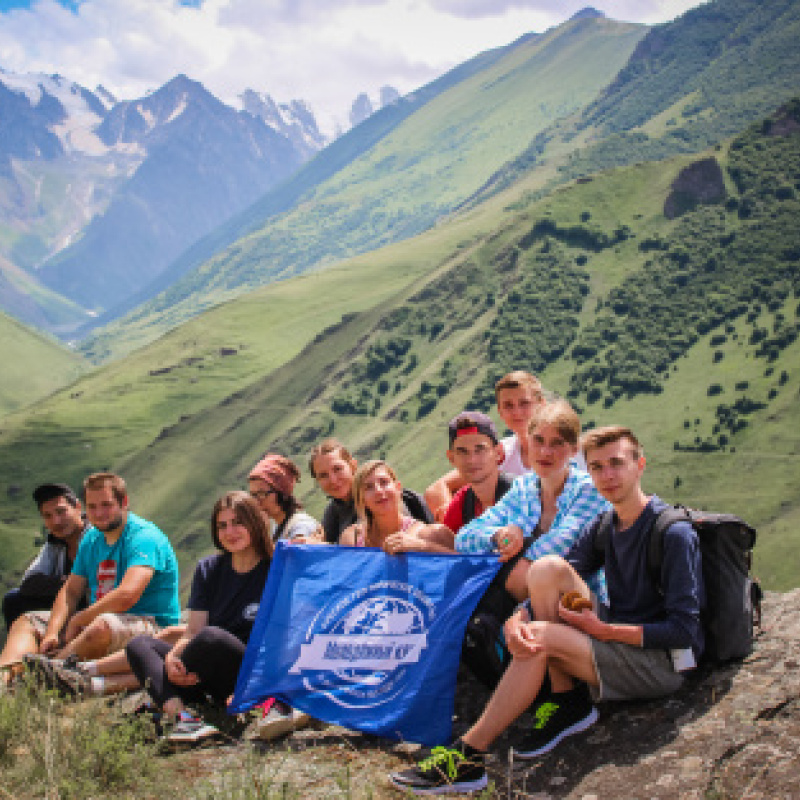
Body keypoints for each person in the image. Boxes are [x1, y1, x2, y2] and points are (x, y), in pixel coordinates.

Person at [389, 425, 704, 795]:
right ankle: (563, 699)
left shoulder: (672, 533)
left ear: (640, 465)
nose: (607, 476)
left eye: (617, 464)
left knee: (538, 640)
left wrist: (605, 631)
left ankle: (470, 755)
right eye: (597, 467)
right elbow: (564, 570)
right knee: (546, 569)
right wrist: (519, 616)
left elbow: (684, 631)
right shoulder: (607, 523)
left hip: (658, 662)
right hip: (614, 635)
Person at [125, 491, 277, 744]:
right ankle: (182, 718)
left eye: (238, 522)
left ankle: (167, 701)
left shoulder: (275, 568)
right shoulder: (208, 569)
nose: (230, 532)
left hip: (248, 671)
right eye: (222, 525)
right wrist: (173, 659)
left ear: (255, 523)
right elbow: (192, 631)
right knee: (139, 644)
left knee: (212, 637)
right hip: (203, 672)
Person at [454, 398, 609, 605]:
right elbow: (464, 538)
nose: (545, 452)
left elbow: (561, 543)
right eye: (538, 440)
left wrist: (509, 554)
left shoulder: (589, 489)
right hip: (524, 595)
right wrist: (500, 536)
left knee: (525, 571)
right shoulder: (523, 487)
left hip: (582, 601)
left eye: (557, 443)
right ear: (527, 440)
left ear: (574, 449)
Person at [26, 472, 181, 666]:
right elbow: (71, 591)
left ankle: (50, 670)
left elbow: (127, 595)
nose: (99, 513)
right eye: (92, 507)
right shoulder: (91, 539)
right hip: (100, 621)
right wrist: (52, 633)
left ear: (124, 502)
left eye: (106, 505)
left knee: (102, 626)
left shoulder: (144, 537)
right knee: (28, 621)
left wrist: (79, 619)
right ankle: (6, 676)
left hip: (150, 625)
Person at [424, 371, 545, 522]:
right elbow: (436, 489)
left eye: (524, 403)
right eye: (508, 405)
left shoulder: (567, 451)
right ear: (500, 412)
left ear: (541, 404)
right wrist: (452, 516)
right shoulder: (500, 452)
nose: (516, 412)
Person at [1, 483, 90, 684]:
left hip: (92, 603)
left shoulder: (94, 537)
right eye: (48, 516)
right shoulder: (55, 543)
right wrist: (68, 582)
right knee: (14, 599)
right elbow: (29, 583)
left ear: (77, 507)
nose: (56, 521)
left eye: (61, 512)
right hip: (65, 602)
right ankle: (20, 665)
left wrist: (74, 585)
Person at [309, 438, 433, 544]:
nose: (333, 480)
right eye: (323, 475)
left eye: (337, 469)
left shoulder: (383, 500)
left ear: (353, 465)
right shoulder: (333, 512)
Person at [340, 460, 453, 553]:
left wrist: (421, 546)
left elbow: (462, 564)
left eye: (384, 482)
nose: (378, 491)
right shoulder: (352, 540)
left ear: (398, 488)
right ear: (361, 500)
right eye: (369, 487)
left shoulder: (430, 535)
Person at [248, 453, 322, 542]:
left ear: (281, 493)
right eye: (253, 495)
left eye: (262, 494)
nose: (257, 502)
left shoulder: (300, 528)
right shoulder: (277, 527)